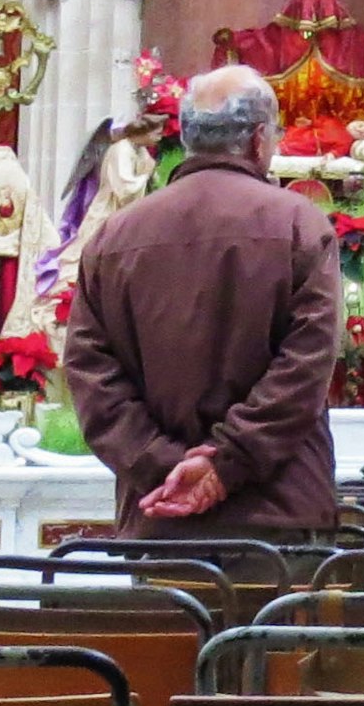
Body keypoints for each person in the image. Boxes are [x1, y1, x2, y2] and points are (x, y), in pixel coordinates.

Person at [61, 67, 341, 534]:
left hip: (159, 513)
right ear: (258, 140)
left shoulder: (114, 236)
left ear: (188, 138)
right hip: (276, 514)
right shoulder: (299, 225)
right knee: (273, 612)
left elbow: (91, 372)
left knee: (167, 610)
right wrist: (225, 464)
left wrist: (163, 465)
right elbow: (306, 365)